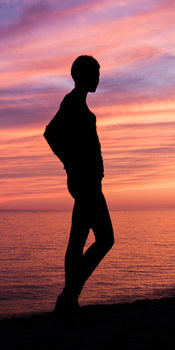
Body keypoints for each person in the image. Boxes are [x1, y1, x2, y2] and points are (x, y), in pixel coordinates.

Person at [44, 55, 114, 313]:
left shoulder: (81, 106)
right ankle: (69, 295)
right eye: (94, 73)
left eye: (98, 73)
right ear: (81, 75)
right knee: (102, 239)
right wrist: (70, 164)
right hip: (85, 182)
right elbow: (51, 133)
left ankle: (69, 297)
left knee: (81, 239)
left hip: (91, 181)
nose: (98, 78)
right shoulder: (72, 102)